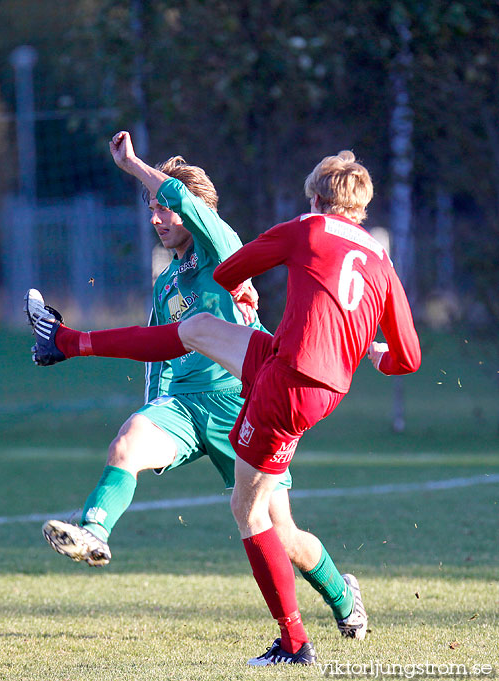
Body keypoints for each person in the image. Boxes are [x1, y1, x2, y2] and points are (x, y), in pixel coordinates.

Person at [28, 146, 421, 666]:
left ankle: (334, 606)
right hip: (194, 405)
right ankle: (94, 529)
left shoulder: (226, 241)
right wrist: (155, 405)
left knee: (278, 531)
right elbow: (160, 347)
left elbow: (219, 243)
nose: (156, 217)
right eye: (153, 208)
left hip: (253, 396)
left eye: (163, 207)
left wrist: (136, 167)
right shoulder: (168, 279)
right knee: (129, 439)